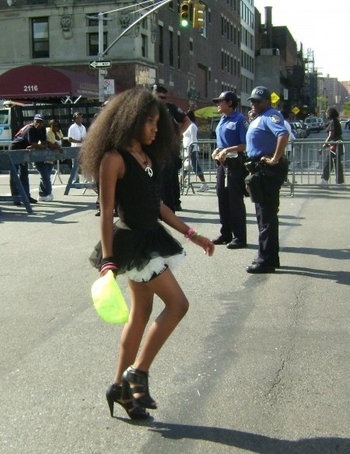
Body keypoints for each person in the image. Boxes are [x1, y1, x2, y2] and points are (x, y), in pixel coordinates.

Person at [79, 88, 214, 420]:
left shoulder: (147, 156)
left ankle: (118, 388)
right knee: (178, 304)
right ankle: (137, 372)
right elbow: (107, 210)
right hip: (133, 245)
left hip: (151, 238)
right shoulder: (114, 158)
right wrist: (109, 259)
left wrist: (192, 234)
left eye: (158, 122)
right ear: (132, 120)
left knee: (141, 314)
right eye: (150, 122)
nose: (156, 129)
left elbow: (157, 206)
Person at [245, 86, 289, 273]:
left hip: (266, 170)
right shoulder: (260, 117)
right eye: (252, 101)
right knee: (263, 215)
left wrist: (275, 158)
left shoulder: (272, 115)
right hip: (258, 168)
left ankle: (266, 260)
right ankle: (269, 256)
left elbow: (283, 134)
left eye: (258, 101)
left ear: (267, 102)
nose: (254, 103)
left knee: (267, 216)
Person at [211, 91, 249, 249]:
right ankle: (225, 233)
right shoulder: (222, 119)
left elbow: (245, 144)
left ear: (230, 103)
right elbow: (222, 142)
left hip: (235, 164)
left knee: (235, 201)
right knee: (222, 198)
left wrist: (227, 150)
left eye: (220, 101)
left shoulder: (240, 120)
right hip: (223, 164)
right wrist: (218, 150)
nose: (218, 104)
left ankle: (239, 236)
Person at [152, 84, 191, 211]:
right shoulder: (148, 108)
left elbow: (187, 121)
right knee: (164, 176)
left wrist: (178, 134)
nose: (162, 100)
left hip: (170, 147)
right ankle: (170, 203)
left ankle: (171, 204)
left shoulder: (171, 108)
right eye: (160, 97)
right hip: (157, 146)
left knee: (170, 176)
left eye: (164, 98)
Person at [9, 114, 47, 206]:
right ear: (33, 121)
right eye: (37, 121)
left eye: (41, 122)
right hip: (15, 149)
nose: (39, 123)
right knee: (14, 174)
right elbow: (34, 144)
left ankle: (26, 196)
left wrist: (39, 146)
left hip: (24, 151)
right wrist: (39, 146)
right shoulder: (30, 129)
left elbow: (44, 143)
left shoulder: (42, 129)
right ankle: (16, 198)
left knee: (24, 173)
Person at [35, 119, 64, 202]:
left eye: (57, 126)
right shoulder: (48, 131)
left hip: (51, 158)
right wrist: (58, 147)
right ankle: (49, 193)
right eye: (53, 125)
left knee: (44, 177)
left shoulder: (59, 132)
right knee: (46, 177)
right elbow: (49, 144)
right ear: (50, 125)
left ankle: (42, 194)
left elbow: (61, 142)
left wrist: (59, 147)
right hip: (42, 157)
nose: (55, 127)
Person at [182, 110, 209, 192]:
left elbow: (193, 140)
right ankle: (180, 184)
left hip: (192, 150)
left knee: (195, 167)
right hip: (186, 150)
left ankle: (204, 184)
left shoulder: (192, 126)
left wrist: (190, 151)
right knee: (185, 167)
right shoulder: (187, 126)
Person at [320, 107, 344, 185]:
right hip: (336, 144)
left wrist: (325, 144)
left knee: (329, 162)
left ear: (330, 113)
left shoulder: (333, 121)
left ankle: (325, 180)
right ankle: (339, 182)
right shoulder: (335, 121)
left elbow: (331, 134)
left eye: (327, 113)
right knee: (335, 163)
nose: (326, 114)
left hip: (335, 145)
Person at [68, 112, 86, 183]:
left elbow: (85, 137)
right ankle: (75, 179)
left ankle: (85, 179)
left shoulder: (83, 127)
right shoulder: (72, 127)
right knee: (75, 165)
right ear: (74, 119)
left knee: (84, 164)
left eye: (80, 117)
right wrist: (79, 141)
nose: (79, 119)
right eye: (77, 118)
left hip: (82, 148)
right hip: (75, 148)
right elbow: (70, 139)